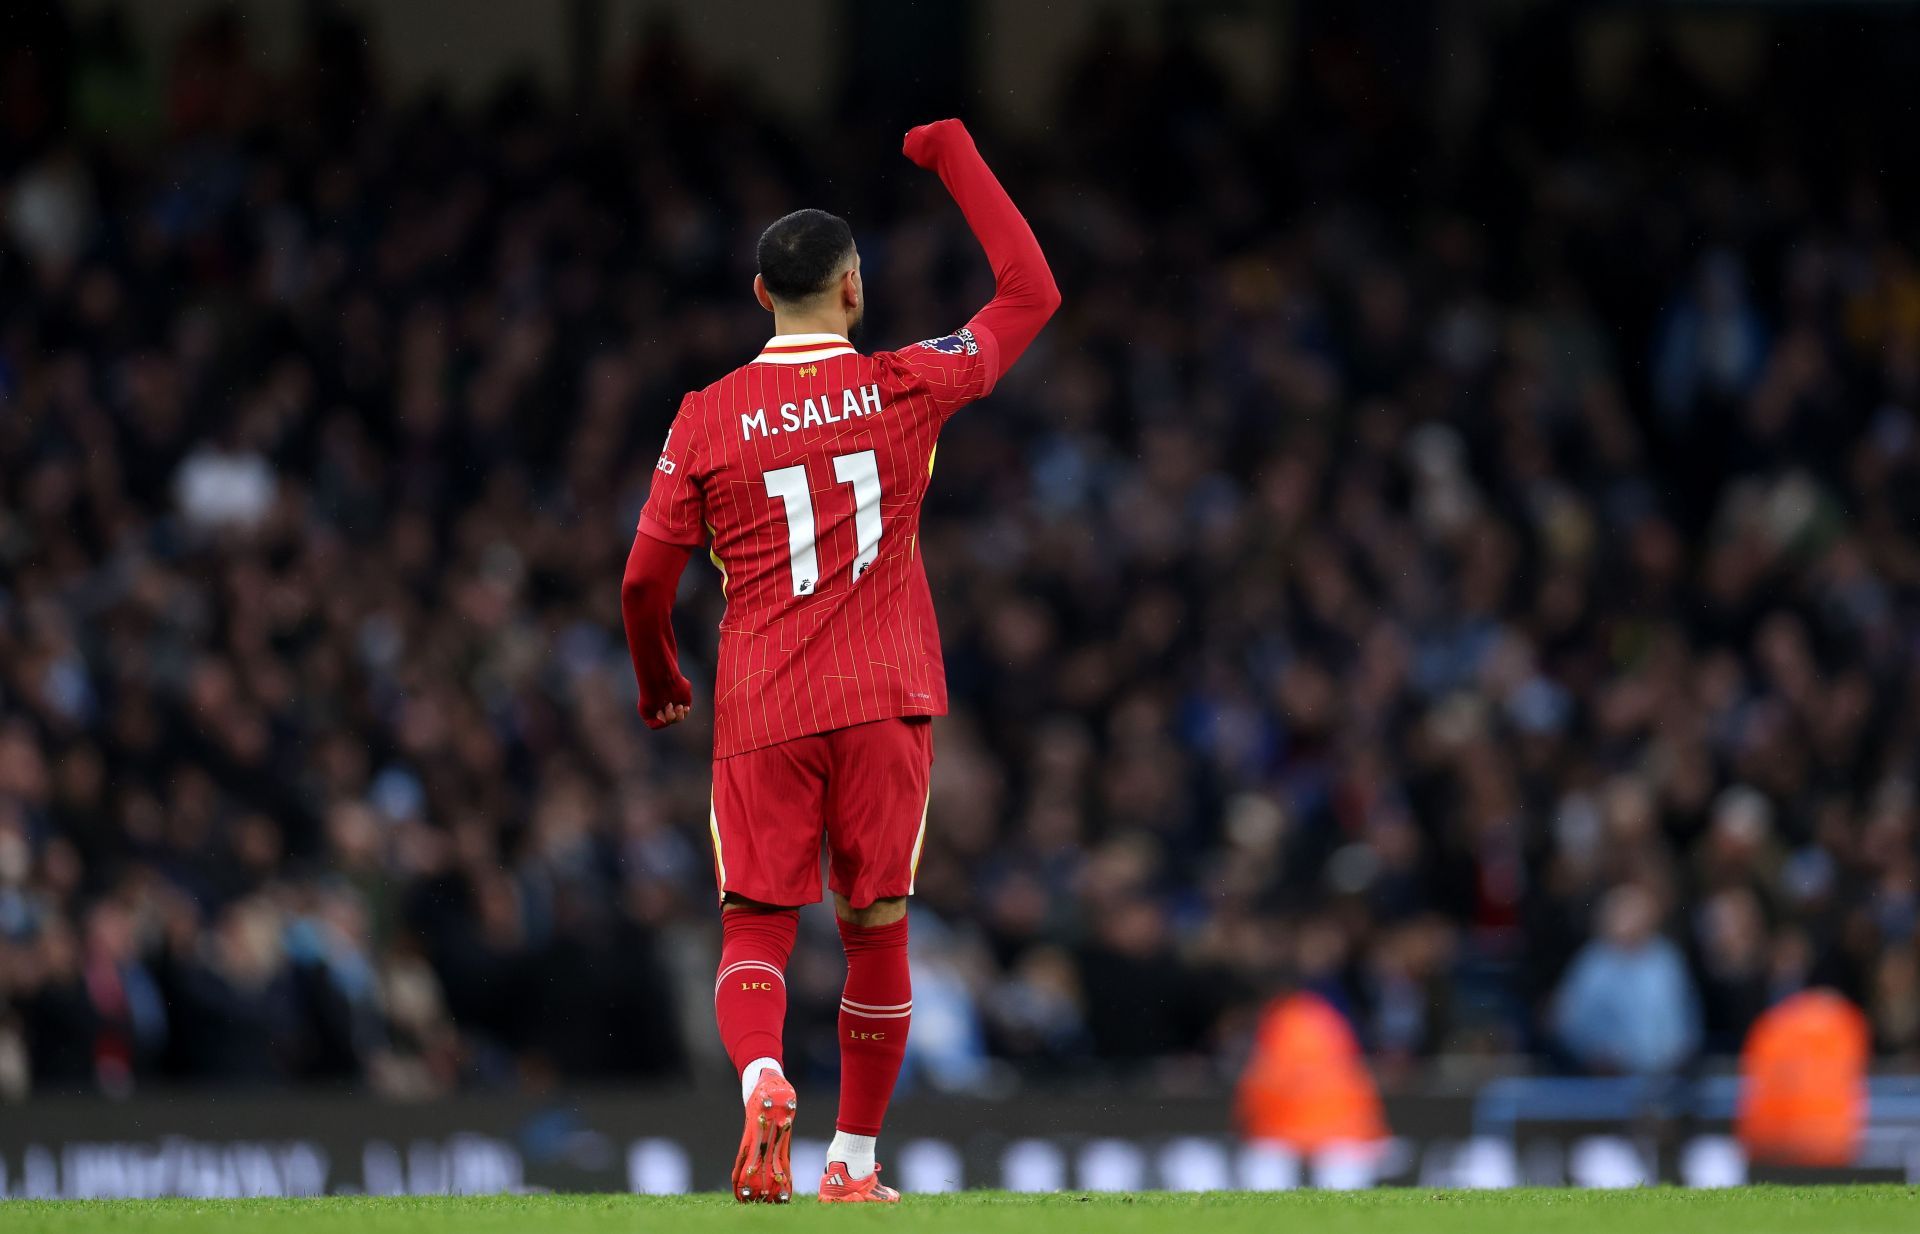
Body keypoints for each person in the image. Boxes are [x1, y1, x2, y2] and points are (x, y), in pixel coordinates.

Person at [620, 118, 1059, 1204]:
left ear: (762, 296)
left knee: (757, 921)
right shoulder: (910, 381)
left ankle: (763, 1074)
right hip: (884, 696)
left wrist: (659, 678)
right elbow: (1031, 292)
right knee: (877, 928)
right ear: (854, 290)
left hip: (764, 698)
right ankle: (853, 1163)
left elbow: (641, 580)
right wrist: (953, 153)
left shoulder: (705, 417)